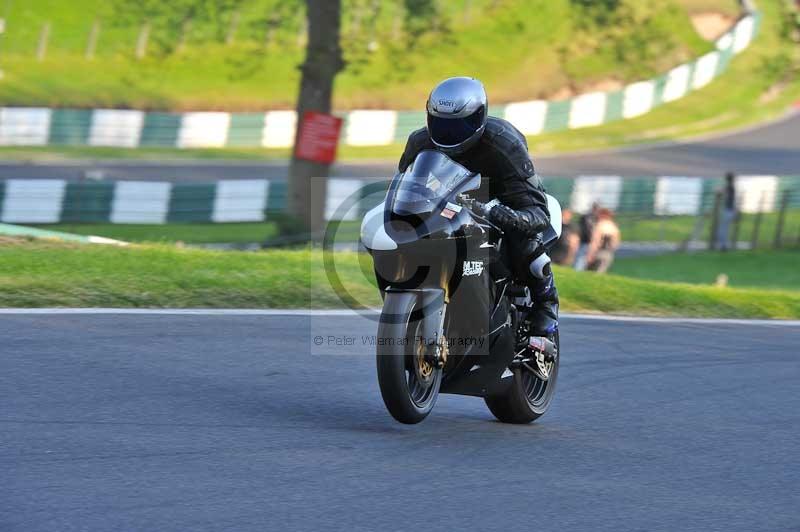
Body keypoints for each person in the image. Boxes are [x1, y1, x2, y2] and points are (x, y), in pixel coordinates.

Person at [398, 77, 558, 337]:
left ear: (479, 117)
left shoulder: (504, 144)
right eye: (441, 125)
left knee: (526, 243)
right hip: (448, 204)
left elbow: (537, 212)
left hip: (501, 203)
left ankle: (546, 303)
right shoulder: (419, 143)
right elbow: (405, 188)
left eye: (460, 125)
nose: (449, 134)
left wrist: (507, 214)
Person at [586, 209, 621, 274]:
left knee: (589, 273)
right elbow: (616, 243)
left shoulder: (600, 225)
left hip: (598, 252)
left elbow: (595, 241)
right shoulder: (614, 227)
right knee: (600, 273)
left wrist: (590, 254)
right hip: (608, 254)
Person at [573, 202, 599, 271]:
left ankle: (579, 270)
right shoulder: (589, 217)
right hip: (585, 241)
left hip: (585, 241)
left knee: (583, 258)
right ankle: (578, 271)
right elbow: (588, 230)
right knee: (581, 258)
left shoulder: (591, 217)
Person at [715, 172, 737, 251]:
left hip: (727, 210)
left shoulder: (729, 187)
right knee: (725, 228)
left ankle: (723, 246)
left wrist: (718, 190)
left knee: (723, 229)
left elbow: (719, 193)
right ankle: (723, 245)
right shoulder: (732, 187)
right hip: (730, 210)